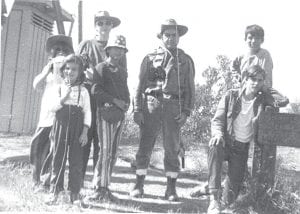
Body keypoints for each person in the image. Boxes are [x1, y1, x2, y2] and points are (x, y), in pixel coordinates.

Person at [206, 65, 289, 214]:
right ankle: (213, 199)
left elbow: (283, 101)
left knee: (229, 200)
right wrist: (217, 134)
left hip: (241, 149)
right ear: (245, 79)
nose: (255, 83)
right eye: (252, 79)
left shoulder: (263, 99)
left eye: (259, 80)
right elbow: (217, 120)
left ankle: (208, 190)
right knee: (214, 146)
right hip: (226, 142)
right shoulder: (230, 95)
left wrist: (265, 88)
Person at [130, 19, 195, 201]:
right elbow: (139, 85)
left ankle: (171, 189)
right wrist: (137, 109)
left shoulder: (185, 60)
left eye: (174, 35)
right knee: (145, 145)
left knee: (172, 147)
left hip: (174, 107)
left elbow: (190, 88)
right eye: (167, 35)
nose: (171, 39)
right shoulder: (150, 58)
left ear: (179, 37)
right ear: (161, 37)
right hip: (152, 104)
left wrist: (186, 112)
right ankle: (138, 184)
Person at [77, 11, 125, 184]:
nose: (104, 26)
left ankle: (99, 183)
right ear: (95, 25)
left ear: (112, 26)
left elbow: (122, 76)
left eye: (108, 23)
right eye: (101, 22)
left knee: (103, 143)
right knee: (84, 138)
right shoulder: (87, 45)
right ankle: (78, 181)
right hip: (89, 97)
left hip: (107, 102)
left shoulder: (118, 49)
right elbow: (76, 70)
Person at [88, 35, 130, 201]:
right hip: (105, 113)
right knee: (104, 151)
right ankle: (100, 188)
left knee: (112, 152)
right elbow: (96, 91)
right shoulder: (101, 68)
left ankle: (105, 185)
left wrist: (126, 103)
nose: (118, 52)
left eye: (121, 49)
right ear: (108, 50)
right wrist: (114, 101)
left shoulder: (122, 71)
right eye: (115, 48)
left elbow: (126, 92)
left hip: (119, 114)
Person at [30, 35, 74, 192]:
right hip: (46, 113)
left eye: (65, 50)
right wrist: (47, 70)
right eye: (58, 50)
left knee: (55, 147)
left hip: (61, 113)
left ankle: (48, 180)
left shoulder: (69, 69)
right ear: (53, 53)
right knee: (38, 145)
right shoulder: (48, 68)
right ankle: (35, 179)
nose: (61, 52)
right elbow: (36, 85)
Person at [47, 54, 91, 204]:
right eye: (67, 68)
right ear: (62, 70)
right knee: (58, 158)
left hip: (78, 128)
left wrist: (85, 132)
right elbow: (52, 108)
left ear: (80, 72)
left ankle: (75, 194)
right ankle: (55, 192)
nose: (70, 72)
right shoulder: (58, 88)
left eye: (74, 69)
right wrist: (63, 98)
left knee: (76, 161)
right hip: (61, 125)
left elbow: (87, 113)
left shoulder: (83, 91)